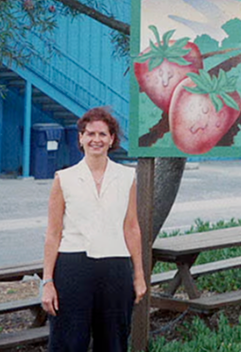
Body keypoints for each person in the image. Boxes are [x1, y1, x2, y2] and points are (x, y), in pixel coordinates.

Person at [41, 107, 147, 352]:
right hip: (73, 267)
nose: (96, 139)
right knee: (69, 341)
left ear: (112, 139)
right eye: (90, 133)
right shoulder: (64, 178)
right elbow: (53, 233)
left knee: (114, 341)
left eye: (102, 134)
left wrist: (139, 275)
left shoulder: (126, 177)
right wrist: (47, 281)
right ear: (80, 138)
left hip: (115, 268)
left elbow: (132, 227)